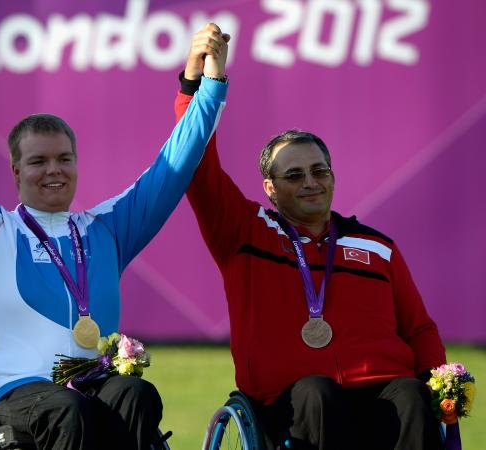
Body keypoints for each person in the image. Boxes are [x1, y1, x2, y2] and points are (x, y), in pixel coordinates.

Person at [0, 24, 230, 450]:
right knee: (67, 410)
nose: (54, 170)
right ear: (16, 171)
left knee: (137, 394)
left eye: (64, 159)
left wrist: (208, 85)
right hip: (13, 391)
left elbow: (174, 166)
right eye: (39, 161)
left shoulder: (105, 229)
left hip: (88, 383)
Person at [174, 24, 446, 450]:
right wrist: (197, 84)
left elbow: (419, 328)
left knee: (413, 394)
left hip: (379, 394)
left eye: (319, 171)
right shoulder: (244, 232)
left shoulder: (377, 246)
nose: (310, 183)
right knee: (317, 392)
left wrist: (440, 381)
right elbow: (196, 164)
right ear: (270, 187)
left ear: (333, 176)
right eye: (294, 175)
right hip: (293, 404)